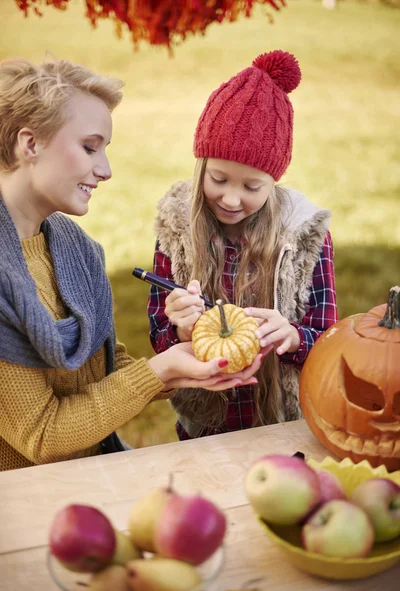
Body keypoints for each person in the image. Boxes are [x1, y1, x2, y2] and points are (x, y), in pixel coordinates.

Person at [0, 58, 263, 472]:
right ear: (30, 144)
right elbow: (44, 434)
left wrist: (183, 363)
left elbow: (103, 369)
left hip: (90, 476)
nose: (105, 170)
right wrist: (158, 371)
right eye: (89, 147)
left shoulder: (74, 249)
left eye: (105, 150)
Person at [148, 50, 339, 440]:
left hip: (287, 425)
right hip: (205, 430)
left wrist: (293, 337)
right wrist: (181, 329)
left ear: (273, 182)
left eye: (252, 187)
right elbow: (159, 338)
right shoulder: (177, 230)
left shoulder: (303, 237)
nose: (232, 199)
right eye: (218, 178)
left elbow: (331, 342)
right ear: (201, 164)